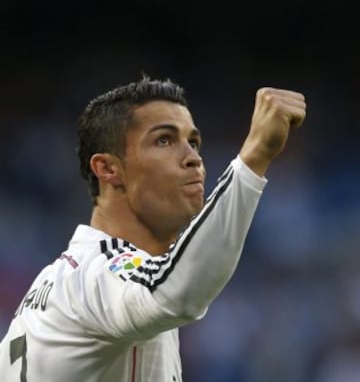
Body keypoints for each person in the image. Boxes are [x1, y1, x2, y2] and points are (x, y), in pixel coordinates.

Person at [0, 74, 306, 382]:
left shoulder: (60, 280)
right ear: (108, 169)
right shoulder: (100, 272)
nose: (193, 158)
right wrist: (254, 157)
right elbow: (175, 291)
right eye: (164, 140)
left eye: (194, 142)